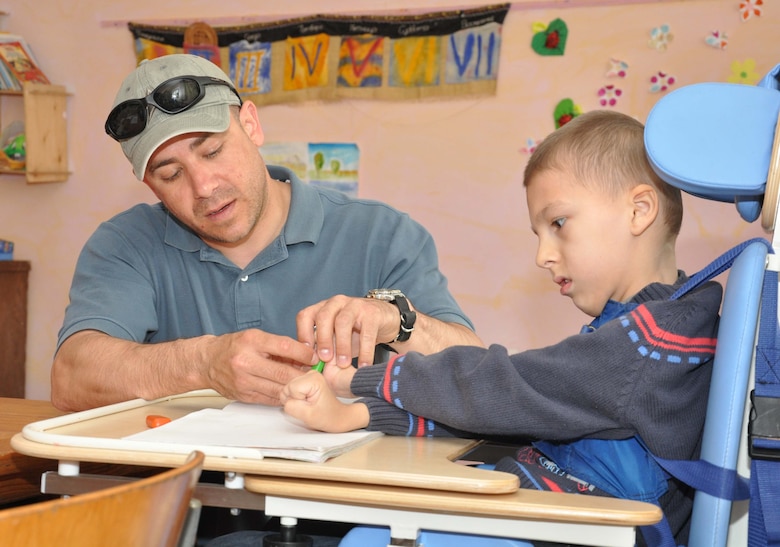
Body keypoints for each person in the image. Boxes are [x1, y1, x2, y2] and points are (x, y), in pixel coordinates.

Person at [50, 53, 482, 546]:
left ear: (251, 124)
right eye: (171, 174)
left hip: (360, 524)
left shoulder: (380, 235)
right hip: (187, 523)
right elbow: (71, 376)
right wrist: (202, 362)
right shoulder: (126, 245)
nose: (204, 187)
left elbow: (475, 376)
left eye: (212, 152)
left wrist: (398, 323)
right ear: (147, 184)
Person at [281, 110, 723, 546]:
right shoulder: (643, 331)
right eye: (538, 234)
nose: (542, 255)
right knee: (371, 534)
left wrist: (364, 380)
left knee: (369, 540)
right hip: (563, 518)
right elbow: (518, 414)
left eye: (558, 224)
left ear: (639, 210)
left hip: (585, 532)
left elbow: (508, 388)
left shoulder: (650, 342)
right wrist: (357, 413)